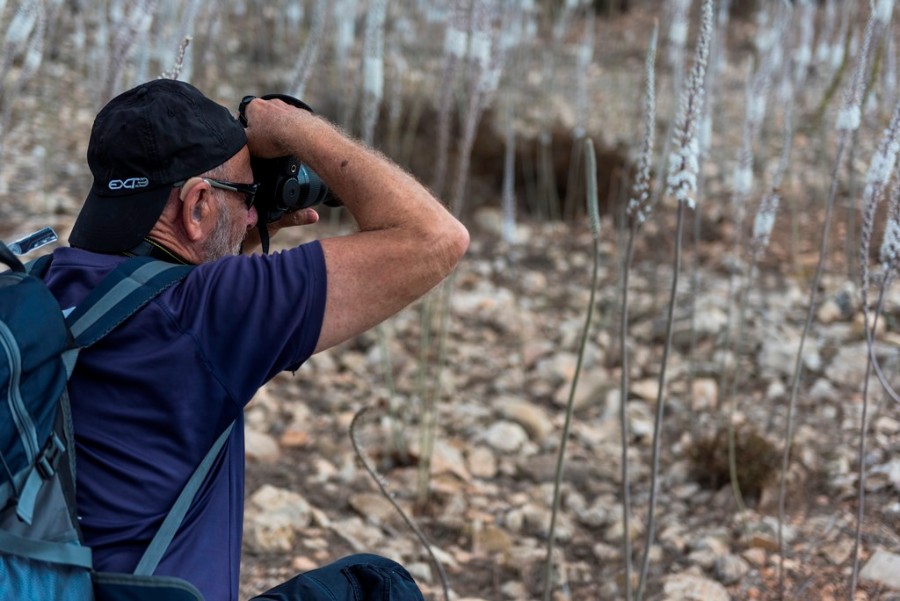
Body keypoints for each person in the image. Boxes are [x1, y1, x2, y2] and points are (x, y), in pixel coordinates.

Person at [41, 79, 469, 600]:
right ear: (197, 204)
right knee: (378, 588)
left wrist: (229, 237)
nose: (253, 214)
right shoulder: (207, 311)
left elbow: (158, 320)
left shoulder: (37, 285)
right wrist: (289, 125)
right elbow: (436, 238)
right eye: (246, 196)